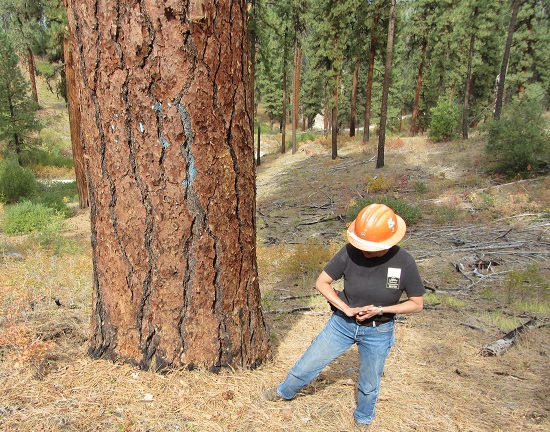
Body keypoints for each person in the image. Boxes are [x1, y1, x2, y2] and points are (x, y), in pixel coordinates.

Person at [262, 203, 425, 431]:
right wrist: (345, 308)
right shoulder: (349, 251)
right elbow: (322, 282)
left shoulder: (404, 262)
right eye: (361, 243)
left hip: (379, 330)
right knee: (310, 362)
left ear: (388, 241)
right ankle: (284, 392)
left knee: (369, 382)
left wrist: (380, 310)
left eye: (370, 246)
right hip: (342, 324)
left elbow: (417, 304)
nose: (364, 250)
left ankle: (363, 418)